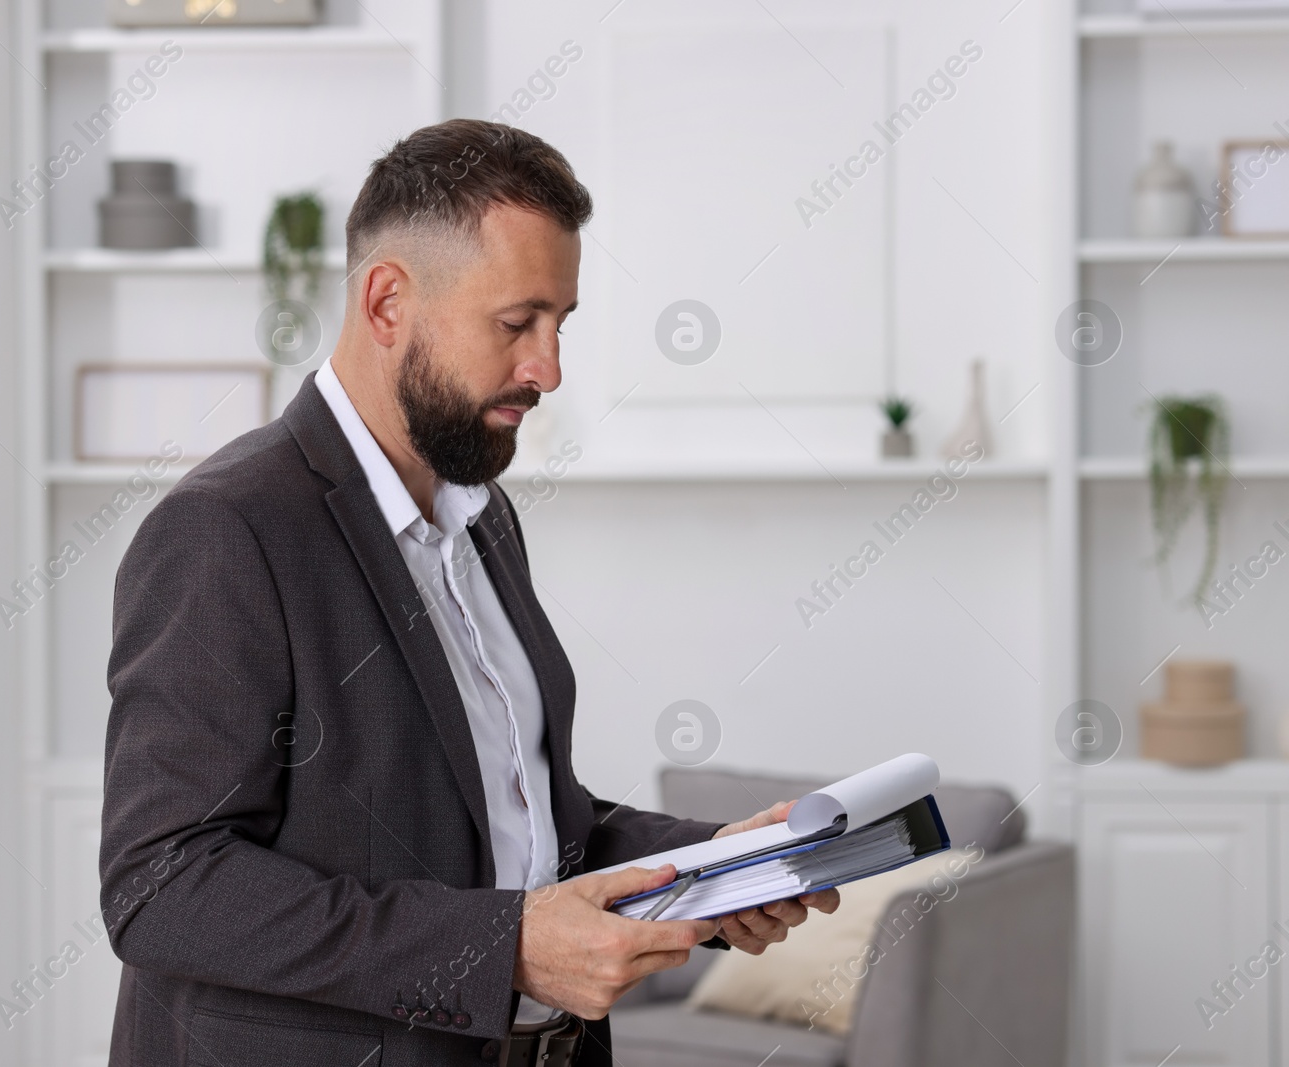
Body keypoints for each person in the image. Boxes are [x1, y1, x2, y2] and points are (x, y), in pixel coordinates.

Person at [99, 118, 838, 1067]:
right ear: (387, 301)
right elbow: (162, 885)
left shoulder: (482, 518)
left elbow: (523, 819)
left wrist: (712, 861)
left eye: (560, 325)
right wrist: (510, 947)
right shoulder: (227, 529)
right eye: (515, 323)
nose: (549, 369)